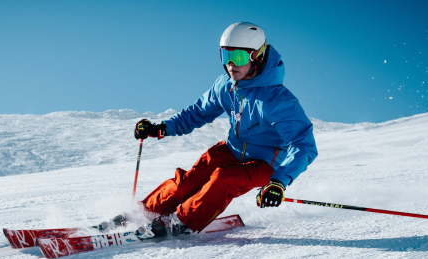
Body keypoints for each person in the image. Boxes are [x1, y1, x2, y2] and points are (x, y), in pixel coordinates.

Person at [134, 22, 318, 237]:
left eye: (238, 57)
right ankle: (143, 212)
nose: (230, 65)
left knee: (224, 178)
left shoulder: (277, 100)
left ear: (256, 56)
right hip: (231, 149)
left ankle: (181, 222)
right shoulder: (225, 85)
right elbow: (196, 113)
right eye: (225, 56)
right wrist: (161, 128)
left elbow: (303, 145)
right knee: (188, 182)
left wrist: (279, 182)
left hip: (265, 164)